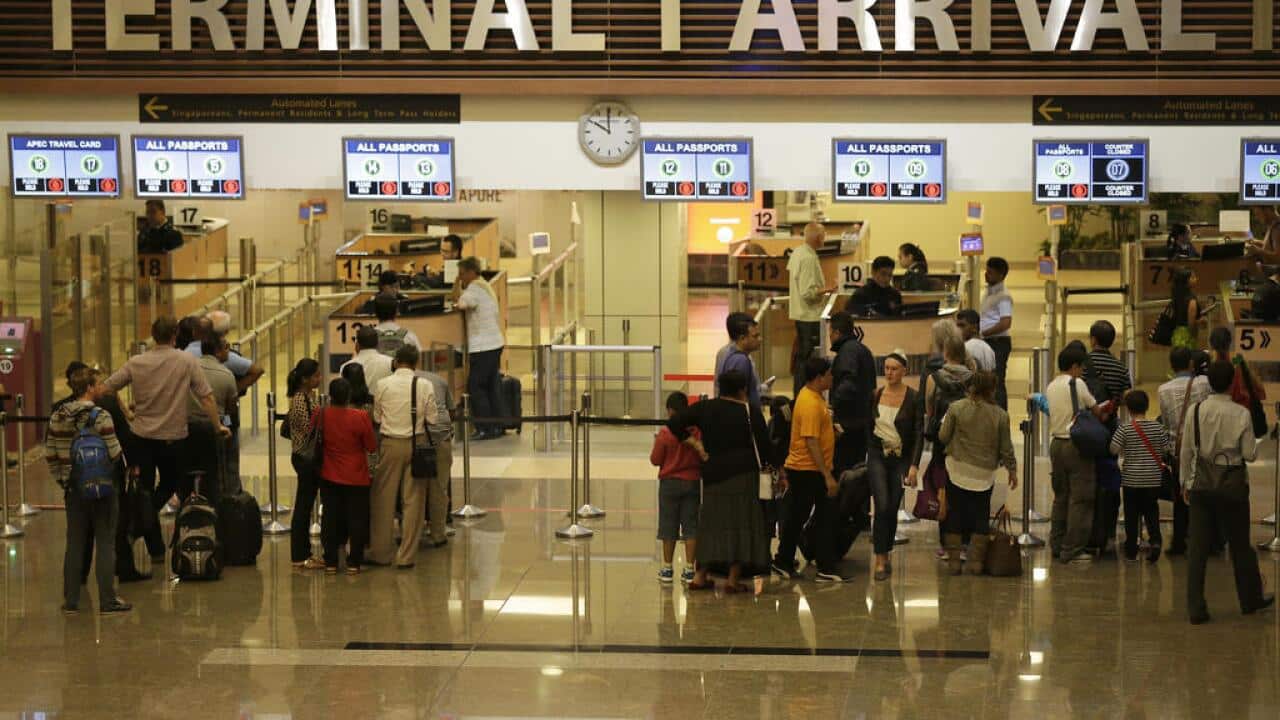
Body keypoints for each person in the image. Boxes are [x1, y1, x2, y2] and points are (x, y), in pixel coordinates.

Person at [105, 316, 229, 561]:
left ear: (153, 335)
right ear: (174, 335)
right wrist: (218, 426)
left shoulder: (137, 362)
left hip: (141, 436)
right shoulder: (186, 361)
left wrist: (126, 412)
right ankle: (143, 531)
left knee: (145, 489)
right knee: (170, 485)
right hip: (174, 437)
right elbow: (206, 396)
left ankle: (155, 546)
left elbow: (107, 388)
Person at [1179, 361, 1274, 625]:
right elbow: (1250, 454)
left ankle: (1196, 609)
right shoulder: (1241, 414)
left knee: (1197, 548)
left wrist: (1184, 483)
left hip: (1202, 485)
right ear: (1233, 383)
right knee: (1240, 546)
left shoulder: (1194, 411)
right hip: (1233, 485)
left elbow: (1187, 450)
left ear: (1208, 382)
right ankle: (1249, 600)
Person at [668, 369, 771, 593]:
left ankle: (700, 576)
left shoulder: (706, 408)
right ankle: (733, 580)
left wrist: (696, 445)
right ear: (743, 389)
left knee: (711, 526)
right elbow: (765, 446)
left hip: (713, 476)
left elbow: (675, 422)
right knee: (739, 525)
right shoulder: (749, 412)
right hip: (744, 477)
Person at [46, 368, 132, 614]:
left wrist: (63, 480)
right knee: (105, 543)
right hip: (103, 489)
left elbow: (50, 453)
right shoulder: (101, 416)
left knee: (74, 543)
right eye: (97, 384)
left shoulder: (58, 416)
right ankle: (107, 600)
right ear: (90, 387)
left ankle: (71, 601)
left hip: (74, 488)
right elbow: (115, 453)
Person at [773, 357, 852, 583]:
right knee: (822, 516)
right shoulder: (808, 402)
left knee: (801, 516)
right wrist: (827, 475)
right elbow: (810, 440)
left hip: (810, 468)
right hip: (808, 470)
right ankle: (821, 565)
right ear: (819, 378)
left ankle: (785, 560)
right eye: (829, 374)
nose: (832, 378)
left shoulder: (814, 398)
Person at [937, 370, 1017, 576]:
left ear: (971, 385)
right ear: (992, 389)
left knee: (954, 515)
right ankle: (976, 563)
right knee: (981, 515)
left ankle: (954, 563)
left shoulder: (956, 408)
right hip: (984, 474)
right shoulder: (1001, 415)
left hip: (957, 470)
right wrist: (1012, 470)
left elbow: (943, 437)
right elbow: (1006, 448)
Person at [371, 345, 438, 568]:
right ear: (416, 362)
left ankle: (381, 553)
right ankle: (406, 556)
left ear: (396, 361)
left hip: (390, 443)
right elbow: (433, 419)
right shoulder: (425, 385)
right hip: (417, 443)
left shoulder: (383, 384)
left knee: (383, 498)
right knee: (414, 501)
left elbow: (377, 417)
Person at [1045, 344, 1111, 564]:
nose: (1083, 371)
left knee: (1061, 497)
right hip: (1076, 446)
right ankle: (1072, 549)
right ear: (1074, 366)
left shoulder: (1051, 386)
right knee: (1080, 500)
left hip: (1056, 445)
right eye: (1081, 367)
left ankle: (1056, 544)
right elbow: (1096, 410)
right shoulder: (1077, 383)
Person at [314, 377, 377, 575]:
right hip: (356, 475)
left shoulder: (321, 414)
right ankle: (354, 563)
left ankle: (331, 562)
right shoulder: (360, 416)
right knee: (356, 519)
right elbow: (371, 446)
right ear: (349, 395)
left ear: (330, 396)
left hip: (329, 473)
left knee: (330, 518)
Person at [866, 352, 919, 581]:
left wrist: (914, 465)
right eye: (886, 368)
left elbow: (918, 433)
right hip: (878, 455)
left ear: (904, 371)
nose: (889, 373)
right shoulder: (876, 395)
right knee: (882, 503)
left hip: (900, 458)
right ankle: (879, 558)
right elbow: (869, 427)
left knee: (892, 506)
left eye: (894, 368)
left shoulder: (913, 397)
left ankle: (886, 552)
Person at [1158, 347, 1211, 555]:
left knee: (1181, 496)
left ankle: (1179, 541)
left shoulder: (1163, 389)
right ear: (1191, 364)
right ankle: (1205, 540)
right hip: (1203, 445)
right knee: (1203, 494)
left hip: (1177, 448)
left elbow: (1165, 420)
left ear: (1171, 366)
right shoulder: (1204, 383)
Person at [1109, 391, 1170, 563]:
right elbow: (1166, 450)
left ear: (1128, 409)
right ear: (1147, 406)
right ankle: (1156, 541)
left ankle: (1131, 550)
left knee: (1131, 514)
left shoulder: (1125, 428)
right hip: (1152, 479)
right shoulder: (1157, 427)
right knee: (1151, 511)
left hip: (1131, 480)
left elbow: (1113, 448)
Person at [451, 256, 507, 440]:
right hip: (495, 344)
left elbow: (461, 304)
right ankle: (498, 426)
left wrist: (456, 285)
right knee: (492, 386)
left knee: (475, 387)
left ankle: (485, 428)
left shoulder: (474, 289)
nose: (461, 277)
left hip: (483, 347)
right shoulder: (486, 286)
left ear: (471, 272)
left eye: (462, 274)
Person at [650, 391, 702, 584]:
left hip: (669, 484)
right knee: (691, 526)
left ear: (670, 411)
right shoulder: (696, 431)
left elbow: (655, 460)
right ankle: (689, 569)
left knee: (668, 526)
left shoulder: (665, 433)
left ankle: (667, 568)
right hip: (692, 481)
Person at [183, 333, 239, 503]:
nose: (229, 351)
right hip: (214, 429)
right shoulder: (227, 375)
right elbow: (230, 411)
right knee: (214, 473)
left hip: (187, 427)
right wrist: (228, 426)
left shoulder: (188, 369)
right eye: (227, 347)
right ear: (219, 351)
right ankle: (223, 500)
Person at [286, 358, 324, 570]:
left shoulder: (310, 396)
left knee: (306, 504)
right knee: (303, 506)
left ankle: (304, 553)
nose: (319, 379)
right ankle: (299, 555)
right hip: (305, 457)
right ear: (305, 379)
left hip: (306, 456)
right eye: (316, 375)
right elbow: (310, 429)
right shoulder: (301, 400)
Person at [787, 222, 833, 396]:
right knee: (807, 362)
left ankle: (800, 397)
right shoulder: (808, 258)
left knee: (801, 360)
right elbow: (808, 293)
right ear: (819, 238)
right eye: (824, 235)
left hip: (801, 315)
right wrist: (828, 289)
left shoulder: (798, 253)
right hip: (810, 317)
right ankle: (804, 397)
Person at [828, 311, 875, 473]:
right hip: (862, 422)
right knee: (857, 471)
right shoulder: (863, 350)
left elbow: (848, 384)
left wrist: (832, 407)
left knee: (844, 472)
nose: (829, 338)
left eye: (830, 333)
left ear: (836, 332)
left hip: (848, 424)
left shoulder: (847, 352)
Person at [415, 364, 456, 544]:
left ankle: (412, 533)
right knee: (439, 486)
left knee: (414, 488)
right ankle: (438, 533)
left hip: (414, 436)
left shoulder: (393, 381)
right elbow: (451, 410)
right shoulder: (438, 379)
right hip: (440, 435)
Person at [979, 256, 1013, 410]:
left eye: (990, 272)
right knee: (987, 380)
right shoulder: (987, 292)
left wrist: (985, 332)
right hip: (988, 341)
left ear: (1001, 275)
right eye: (986, 271)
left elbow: (1006, 322)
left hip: (998, 342)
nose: (986, 274)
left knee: (997, 381)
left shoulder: (1003, 296)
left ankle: (1001, 415)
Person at [720, 313, 764, 412]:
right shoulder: (740, 361)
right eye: (755, 336)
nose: (760, 339)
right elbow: (736, 398)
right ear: (742, 338)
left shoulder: (730, 354)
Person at [340, 325, 394, 392]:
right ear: (378, 344)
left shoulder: (346, 367)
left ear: (357, 345)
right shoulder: (391, 362)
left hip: (357, 402)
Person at [1169, 267, 1200, 350]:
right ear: (1186, 281)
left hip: (1176, 334)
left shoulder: (1176, 295)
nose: (1196, 279)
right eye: (1193, 277)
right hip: (1187, 337)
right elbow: (1191, 323)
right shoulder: (1191, 300)